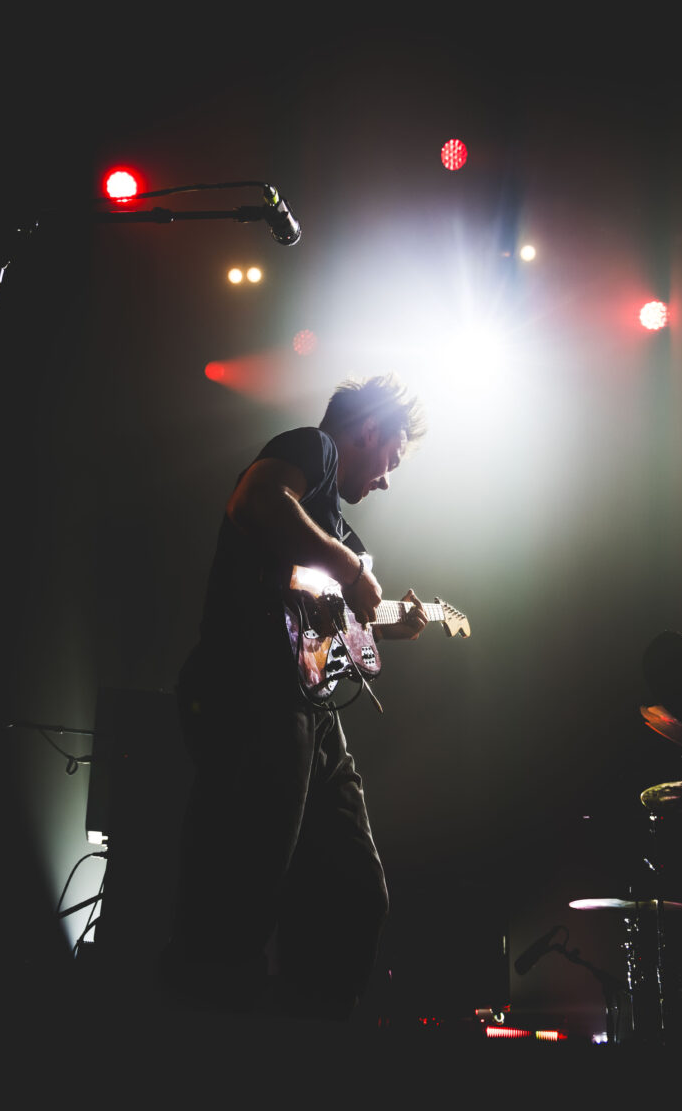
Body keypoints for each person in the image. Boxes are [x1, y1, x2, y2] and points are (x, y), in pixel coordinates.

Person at [161, 373, 428, 1022]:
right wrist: (352, 569)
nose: (387, 479)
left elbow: (320, 636)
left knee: (356, 892)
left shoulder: (337, 530)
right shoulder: (316, 449)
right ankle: (196, 1034)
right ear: (369, 429)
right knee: (240, 891)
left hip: (308, 710)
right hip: (255, 690)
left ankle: (303, 1044)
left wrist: (383, 625)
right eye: (391, 458)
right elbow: (255, 500)